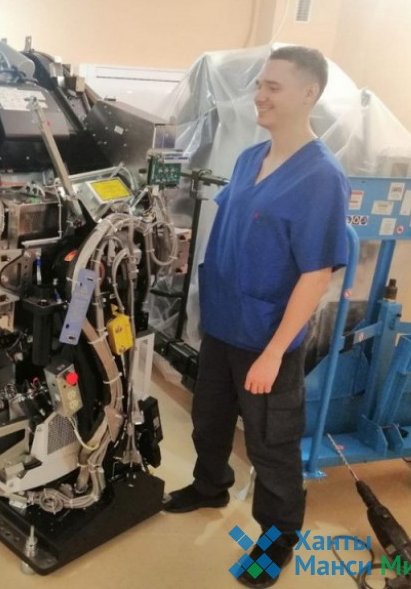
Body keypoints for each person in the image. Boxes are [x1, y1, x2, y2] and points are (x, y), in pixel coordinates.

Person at [163, 46, 351, 588]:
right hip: (222, 325)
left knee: (272, 446)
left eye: (273, 87)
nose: (259, 95)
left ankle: (276, 542)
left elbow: (316, 274)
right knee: (209, 420)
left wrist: (272, 353)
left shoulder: (320, 177)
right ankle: (210, 486)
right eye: (259, 84)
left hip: (267, 338)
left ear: (309, 94)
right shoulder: (250, 158)